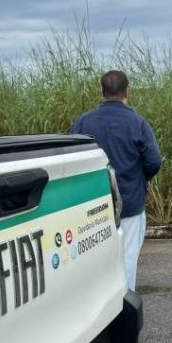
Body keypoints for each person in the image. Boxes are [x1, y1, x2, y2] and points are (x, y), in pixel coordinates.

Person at [70, 70, 162, 290]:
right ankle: (124, 303)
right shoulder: (137, 122)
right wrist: (140, 179)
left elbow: (71, 159)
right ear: (127, 91)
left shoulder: (82, 122)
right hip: (129, 203)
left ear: (101, 91)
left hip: (92, 206)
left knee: (95, 260)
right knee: (127, 256)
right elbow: (154, 161)